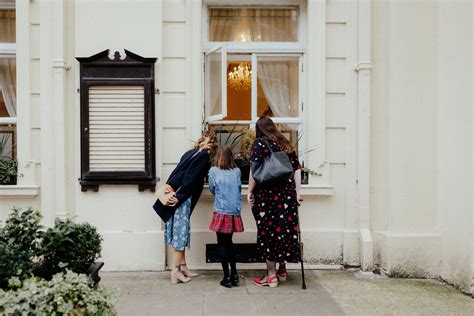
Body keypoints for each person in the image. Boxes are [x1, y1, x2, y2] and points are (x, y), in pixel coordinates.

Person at [154, 130, 217, 284]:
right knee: (181, 232)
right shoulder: (203, 156)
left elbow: (178, 173)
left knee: (180, 230)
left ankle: (184, 267)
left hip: (176, 194)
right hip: (182, 198)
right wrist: (180, 197)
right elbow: (190, 178)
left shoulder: (190, 153)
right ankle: (175, 271)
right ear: (213, 147)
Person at [247, 116, 302, 288]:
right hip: (287, 195)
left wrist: (249, 191)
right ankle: (282, 270)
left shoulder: (259, 144)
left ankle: (271, 276)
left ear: (259, 129)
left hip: (267, 196)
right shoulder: (285, 143)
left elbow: (254, 170)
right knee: (283, 230)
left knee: (267, 232)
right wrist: (297, 193)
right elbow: (297, 169)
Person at [208, 146, 244, 288]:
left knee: (222, 244)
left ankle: (226, 277)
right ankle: (234, 275)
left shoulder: (213, 171)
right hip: (234, 211)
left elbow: (212, 189)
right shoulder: (237, 171)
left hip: (221, 211)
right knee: (230, 243)